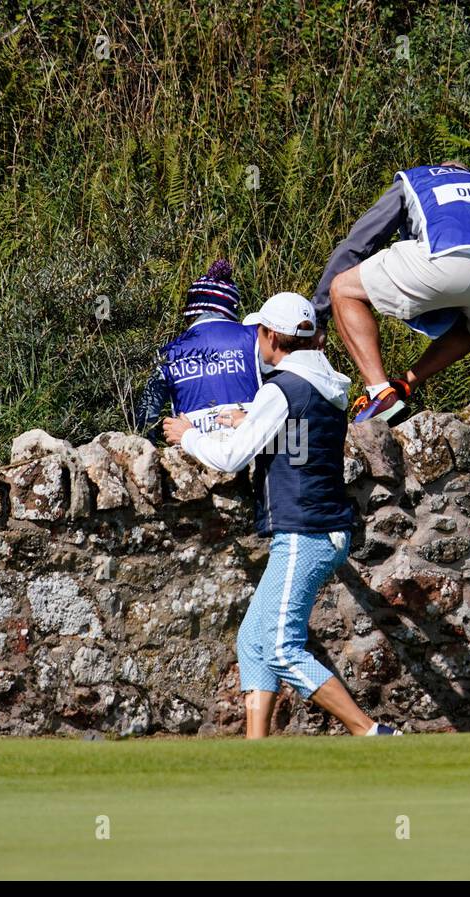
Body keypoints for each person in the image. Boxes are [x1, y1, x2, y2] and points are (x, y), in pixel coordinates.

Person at [163, 292, 402, 738]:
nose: (256, 341)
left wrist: (189, 435)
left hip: (305, 532)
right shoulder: (321, 384)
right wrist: (250, 417)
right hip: (320, 529)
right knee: (252, 642)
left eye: (258, 333)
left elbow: (232, 458)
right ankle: (259, 754)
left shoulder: (280, 388)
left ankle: (371, 732)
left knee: (278, 646)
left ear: (272, 336)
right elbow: (296, 430)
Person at [312, 161, 470, 425]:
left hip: (446, 260)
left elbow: (358, 244)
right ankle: (405, 384)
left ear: (442, 170)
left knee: (343, 289)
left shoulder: (418, 179)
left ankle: (379, 392)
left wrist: (319, 317)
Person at [135, 259, 261, 441]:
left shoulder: (168, 353)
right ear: (232, 306)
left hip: (191, 456)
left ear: (190, 310)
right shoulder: (255, 337)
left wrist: (148, 450)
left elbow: (147, 414)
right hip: (250, 449)